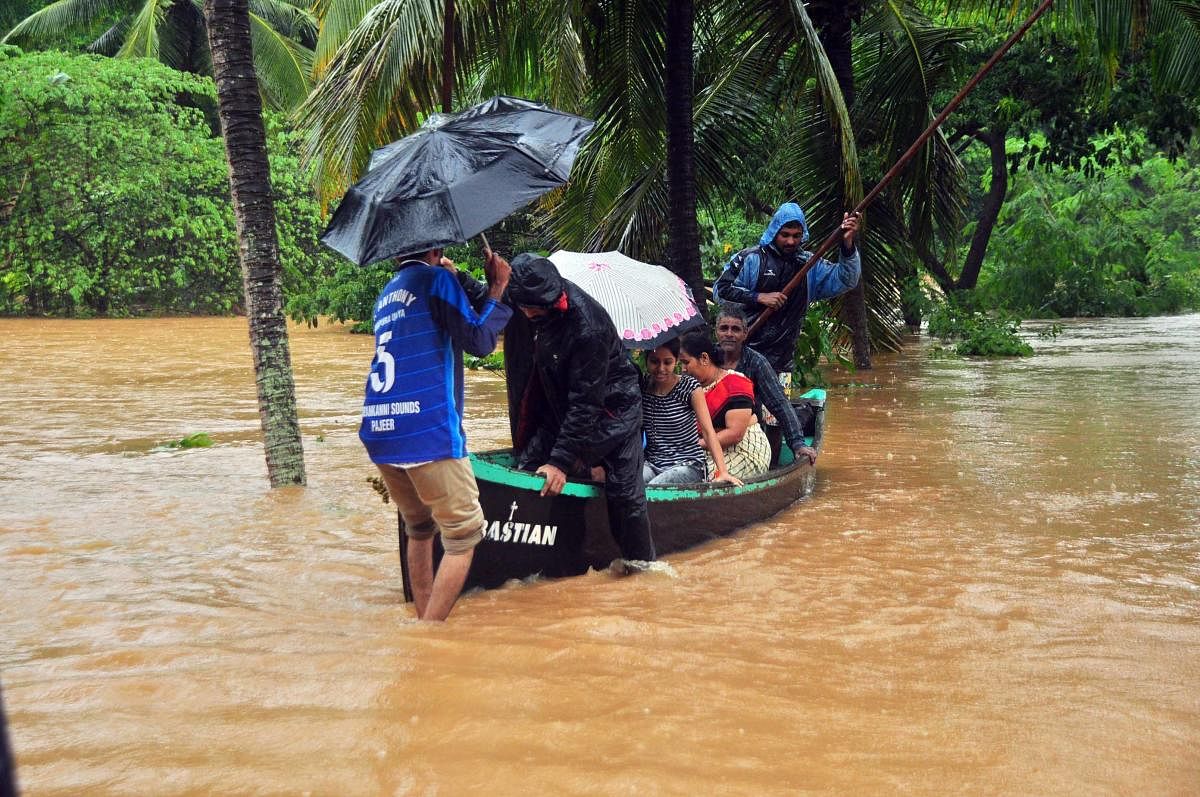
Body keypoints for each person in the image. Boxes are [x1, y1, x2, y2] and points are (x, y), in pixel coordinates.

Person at [360, 246, 512, 621]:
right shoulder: (437, 280)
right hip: (428, 432)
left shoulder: (387, 293)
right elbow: (479, 341)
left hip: (381, 429)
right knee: (464, 534)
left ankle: (422, 619)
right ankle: (431, 638)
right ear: (435, 248)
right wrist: (497, 288)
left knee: (419, 526)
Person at [505, 253, 656, 564]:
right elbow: (487, 300)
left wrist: (560, 462)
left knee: (625, 496)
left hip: (615, 410)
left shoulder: (588, 326)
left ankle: (643, 571)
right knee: (526, 463)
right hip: (560, 405)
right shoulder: (525, 296)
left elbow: (586, 403)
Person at [713, 202, 861, 375]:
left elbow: (847, 279)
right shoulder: (750, 259)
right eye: (785, 235)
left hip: (783, 362)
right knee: (744, 402)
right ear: (774, 232)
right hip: (742, 358)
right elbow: (721, 291)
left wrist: (847, 244)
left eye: (796, 236)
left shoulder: (810, 265)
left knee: (780, 402)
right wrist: (758, 297)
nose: (791, 241)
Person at [714, 303, 818, 465]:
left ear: (745, 334)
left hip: (746, 432)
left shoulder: (756, 363)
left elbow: (779, 404)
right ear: (716, 332)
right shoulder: (706, 360)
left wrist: (797, 443)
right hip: (712, 432)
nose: (729, 334)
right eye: (724, 328)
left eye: (735, 329)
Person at [641, 338, 742, 486]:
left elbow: (708, 432)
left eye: (667, 362)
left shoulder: (689, 386)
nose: (661, 368)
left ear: (676, 361)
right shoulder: (642, 385)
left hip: (687, 465)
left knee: (653, 489)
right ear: (647, 361)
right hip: (652, 464)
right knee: (629, 486)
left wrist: (723, 471)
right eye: (655, 362)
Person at [676, 332, 771, 481]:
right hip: (707, 450)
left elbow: (735, 434)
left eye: (686, 362)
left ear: (704, 358)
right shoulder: (689, 387)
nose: (682, 369)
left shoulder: (735, 382)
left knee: (702, 479)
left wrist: (694, 444)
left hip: (743, 450)